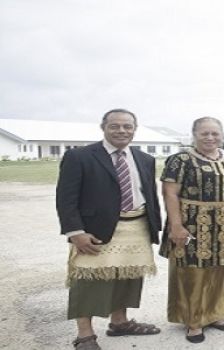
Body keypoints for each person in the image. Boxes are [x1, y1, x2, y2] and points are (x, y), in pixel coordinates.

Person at [56, 109, 162, 350]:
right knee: (88, 281)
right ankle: (85, 335)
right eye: (115, 126)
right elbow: (66, 198)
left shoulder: (144, 158)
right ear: (103, 127)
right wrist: (75, 232)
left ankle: (120, 322)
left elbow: (150, 195)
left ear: (135, 129)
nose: (121, 131)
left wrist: (156, 228)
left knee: (127, 278)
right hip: (95, 231)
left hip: (136, 227)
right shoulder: (80, 156)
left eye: (127, 126)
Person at [159, 117, 224, 343]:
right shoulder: (181, 160)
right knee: (192, 271)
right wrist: (176, 226)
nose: (210, 137)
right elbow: (170, 193)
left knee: (222, 269)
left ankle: (217, 313)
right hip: (192, 222)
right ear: (194, 134)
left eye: (215, 133)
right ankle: (194, 320)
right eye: (204, 133)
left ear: (222, 135)